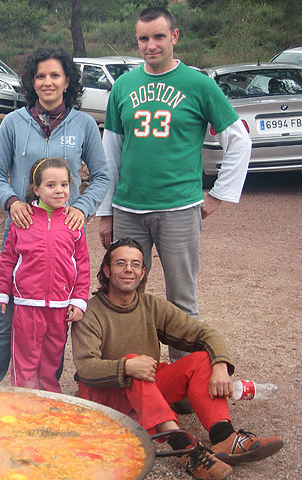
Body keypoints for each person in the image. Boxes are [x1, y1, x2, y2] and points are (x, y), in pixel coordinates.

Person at [96, 7, 251, 370]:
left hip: (179, 209)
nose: (151, 45)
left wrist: (216, 196)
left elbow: (239, 140)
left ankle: (185, 380)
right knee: (125, 295)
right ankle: (132, 375)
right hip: (129, 210)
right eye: (143, 38)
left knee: (181, 299)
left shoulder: (199, 84)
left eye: (158, 37)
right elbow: (110, 153)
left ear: (174, 37)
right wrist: (105, 211)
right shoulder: (123, 86)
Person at [71, 239, 283, 480]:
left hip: (146, 389)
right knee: (137, 364)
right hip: (106, 396)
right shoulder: (89, 311)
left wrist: (220, 366)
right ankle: (184, 448)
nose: (128, 269)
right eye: (121, 263)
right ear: (107, 271)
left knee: (202, 360)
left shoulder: (151, 305)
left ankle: (225, 437)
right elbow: (86, 367)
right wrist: (128, 365)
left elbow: (206, 334)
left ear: (143, 273)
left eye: (135, 264)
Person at [0, 46, 110, 384]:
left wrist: (82, 207)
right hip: (24, 226)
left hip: (65, 231)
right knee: (7, 316)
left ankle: (48, 391)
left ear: (68, 80)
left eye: (55, 75)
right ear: (31, 82)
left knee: (55, 321)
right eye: (40, 76)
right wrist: (12, 202)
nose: (47, 82)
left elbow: (102, 176)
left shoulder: (83, 124)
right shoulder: (13, 123)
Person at [0, 157, 90, 392]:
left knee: (51, 361)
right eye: (51, 185)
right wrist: (1, 296)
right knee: (25, 359)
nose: (59, 190)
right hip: (27, 304)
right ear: (36, 189)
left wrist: (79, 300)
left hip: (59, 306)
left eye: (64, 185)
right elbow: (8, 261)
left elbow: (83, 265)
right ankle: (24, 407)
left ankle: (49, 407)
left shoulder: (73, 223)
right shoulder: (22, 220)